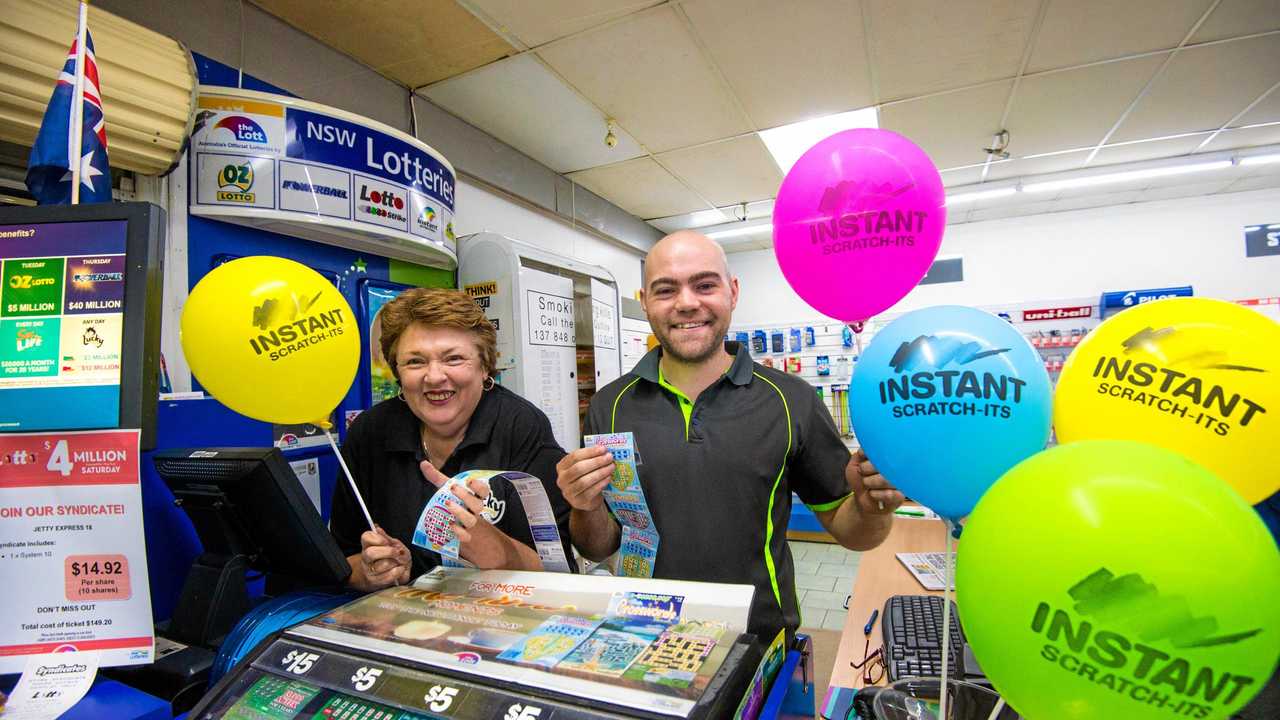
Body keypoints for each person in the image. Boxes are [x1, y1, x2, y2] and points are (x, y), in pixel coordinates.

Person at [557, 230, 904, 641]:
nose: (687, 303)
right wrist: (584, 506)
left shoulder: (791, 400)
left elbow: (851, 532)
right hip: (644, 635)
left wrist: (873, 507)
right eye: (666, 290)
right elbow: (599, 546)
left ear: (732, 292)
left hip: (759, 641)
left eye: (705, 285)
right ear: (646, 300)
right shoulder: (609, 405)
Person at [331, 288, 575, 591]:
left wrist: (498, 552)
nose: (434, 377)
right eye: (415, 362)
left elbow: (561, 568)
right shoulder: (370, 432)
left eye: (454, 358)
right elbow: (343, 560)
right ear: (397, 372)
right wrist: (372, 573)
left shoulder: (520, 426)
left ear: (485, 366)